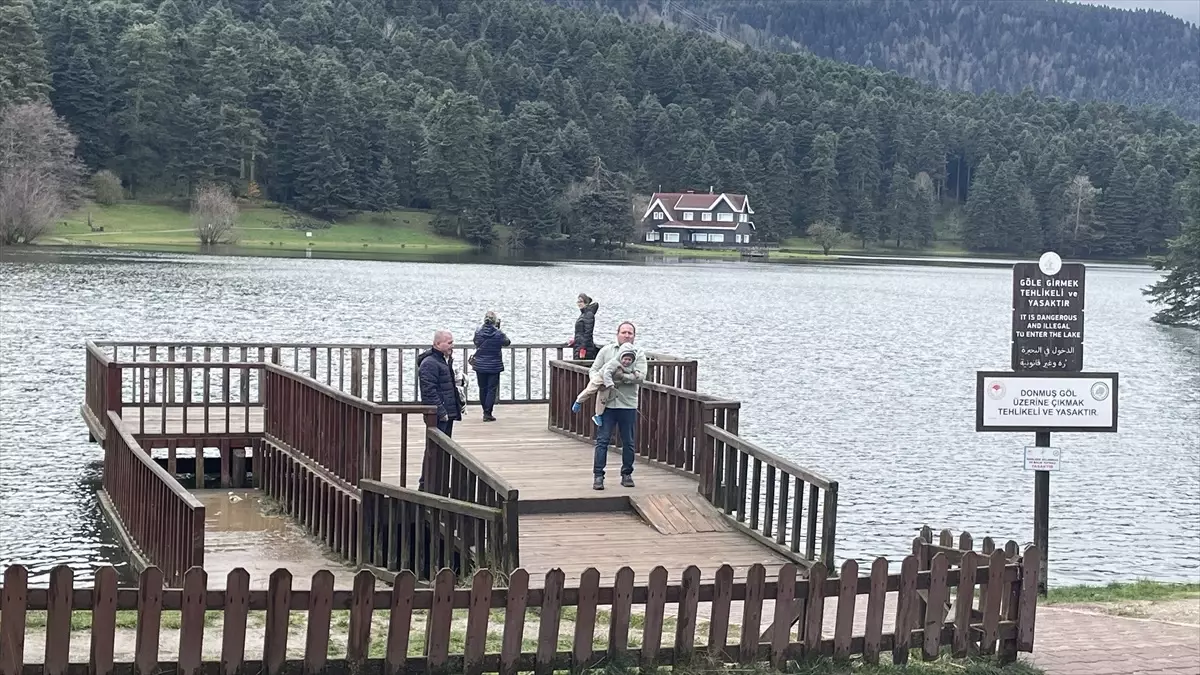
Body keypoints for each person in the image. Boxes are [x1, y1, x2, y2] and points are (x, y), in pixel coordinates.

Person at [589, 322, 647, 490]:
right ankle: (598, 476)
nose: (627, 335)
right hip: (606, 404)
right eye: (624, 332)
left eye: (630, 333)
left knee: (628, 442)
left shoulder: (639, 354)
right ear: (617, 334)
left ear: (634, 336)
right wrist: (599, 381)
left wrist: (621, 378)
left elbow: (641, 377)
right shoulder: (606, 351)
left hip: (628, 404)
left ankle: (627, 474)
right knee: (602, 440)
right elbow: (594, 370)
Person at [572, 343, 637, 427]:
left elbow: (632, 370)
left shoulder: (630, 365)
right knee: (590, 390)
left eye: (629, 360)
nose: (627, 361)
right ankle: (578, 401)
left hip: (608, 383)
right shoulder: (614, 363)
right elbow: (607, 373)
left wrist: (636, 373)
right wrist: (609, 383)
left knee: (603, 399)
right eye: (625, 359)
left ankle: (598, 415)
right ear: (621, 357)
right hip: (600, 377)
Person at [417, 330, 464, 437]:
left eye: (452, 342)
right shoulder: (429, 363)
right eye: (449, 343)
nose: (452, 346)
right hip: (438, 414)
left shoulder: (444, 360)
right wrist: (441, 412)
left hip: (448, 411)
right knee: (436, 444)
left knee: (446, 444)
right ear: (438, 344)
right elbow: (428, 392)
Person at [471, 310, 510, 422]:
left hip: (480, 364)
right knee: (491, 389)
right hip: (494, 365)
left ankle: (485, 410)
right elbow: (507, 342)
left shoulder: (478, 332)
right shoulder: (498, 333)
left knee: (482, 388)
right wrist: (499, 329)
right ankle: (487, 413)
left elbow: (476, 342)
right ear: (495, 321)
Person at [569, 294, 599, 360]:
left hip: (585, 349)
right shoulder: (583, 314)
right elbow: (580, 332)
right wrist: (575, 340)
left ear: (586, 303)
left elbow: (588, 334)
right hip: (579, 346)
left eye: (581, 301)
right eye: (578, 301)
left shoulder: (589, 314)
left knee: (582, 365)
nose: (579, 303)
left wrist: (583, 348)